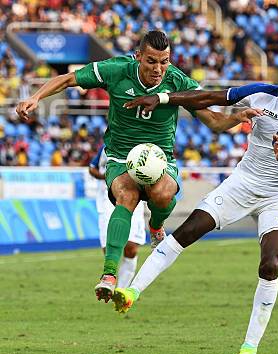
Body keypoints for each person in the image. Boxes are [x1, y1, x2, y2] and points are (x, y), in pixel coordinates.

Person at [112, 54, 278, 354]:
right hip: (242, 184)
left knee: (270, 265)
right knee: (186, 231)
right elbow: (206, 96)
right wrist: (160, 98)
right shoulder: (260, 92)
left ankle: (248, 350)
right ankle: (132, 291)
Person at [16, 30, 260, 302]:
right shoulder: (117, 70)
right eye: (151, 61)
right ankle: (109, 275)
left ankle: (156, 225)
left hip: (161, 158)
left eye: (164, 61)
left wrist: (237, 117)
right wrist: (36, 97)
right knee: (127, 195)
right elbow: (70, 78)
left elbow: (214, 122)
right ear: (138, 57)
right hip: (121, 156)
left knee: (162, 194)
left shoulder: (178, 81)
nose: (158, 69)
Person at [89, 144, 145, 290]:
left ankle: (122, 290)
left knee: (131, 248)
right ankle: (110, 281)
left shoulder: (141, 149)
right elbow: (92, 168)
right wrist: (107, 176)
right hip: (107, 200)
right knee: (108, 248)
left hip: (133, 198)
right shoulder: (107, 146)